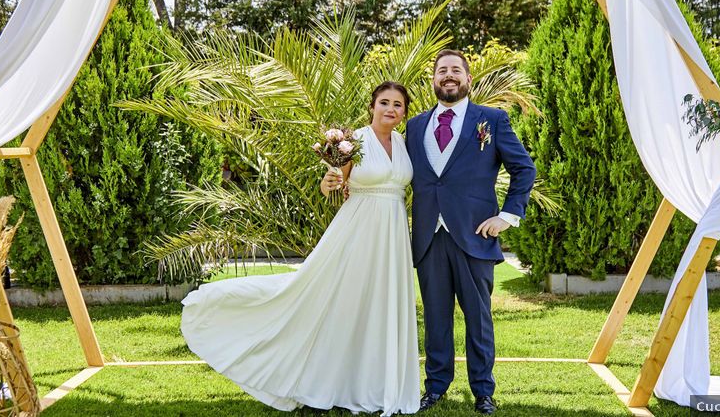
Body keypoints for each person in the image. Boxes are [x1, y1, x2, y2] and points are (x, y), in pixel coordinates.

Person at [180, 81, 420, 416]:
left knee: (381, 304)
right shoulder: (357, 142)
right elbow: (332, 183)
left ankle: (377, 383)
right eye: (384, 102)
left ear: (405, 111)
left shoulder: (403, 143)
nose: (390, 109)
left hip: (393, 233)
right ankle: (325, 379)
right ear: (372, 106)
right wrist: (329, 182)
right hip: (358, 231)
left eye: (397, 104)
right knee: (340, 300)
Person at [406, 49, 536, 415]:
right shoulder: (415, 126)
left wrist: (507, 216)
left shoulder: (491, 120)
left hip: (475, 236)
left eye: (455, 70)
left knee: (478, 318)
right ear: (434, 80)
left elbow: (524, 169)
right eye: (442, 71)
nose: (448, 76)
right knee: (435, 317)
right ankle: (436, 386)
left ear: (468, 79)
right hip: (430, 237)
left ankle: (483, 391)